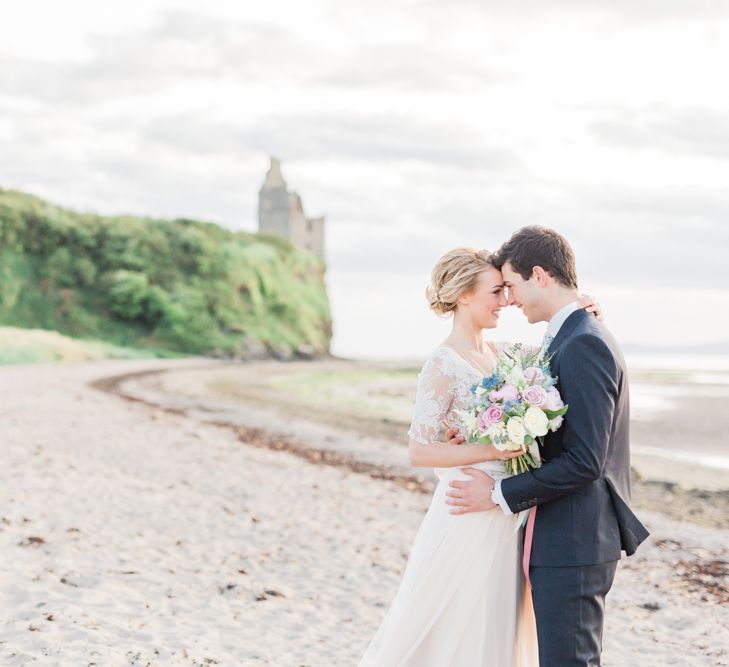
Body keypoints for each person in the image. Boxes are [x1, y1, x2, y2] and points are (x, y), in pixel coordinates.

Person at [359, 246, 602, 667]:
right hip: (467, 512)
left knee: (497, 627)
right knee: (454, 623)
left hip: (508, 510)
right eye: (496, 292)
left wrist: (588, 313)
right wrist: (491, 448)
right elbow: (419, 450)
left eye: (507, 290)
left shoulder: (502, 354)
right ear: (464, 296)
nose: (506, 301)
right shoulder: (442, 363)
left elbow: (562, 352)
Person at [445, 227, 649, 667]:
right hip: (562, 538)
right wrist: (482, 435)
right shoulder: (570, 336)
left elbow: (585, 461)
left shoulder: (585, 342)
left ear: (539, 275)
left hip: (575, 541)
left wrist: (497, 494)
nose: (510, 300)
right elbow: (554, 433)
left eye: (512, 286)